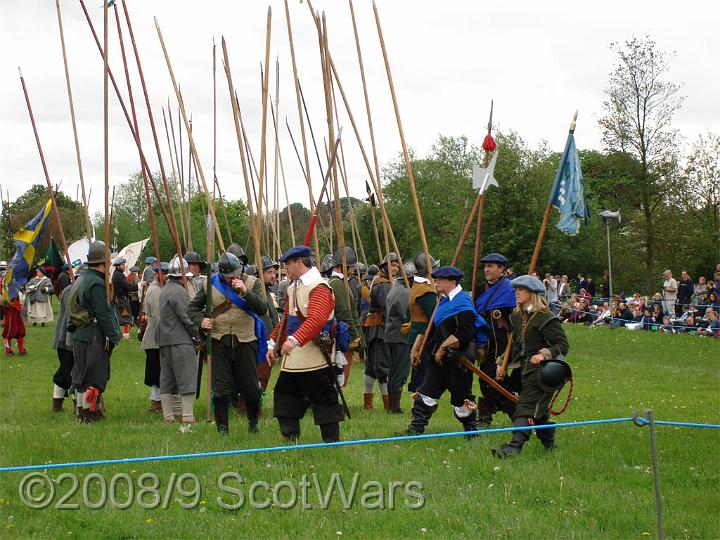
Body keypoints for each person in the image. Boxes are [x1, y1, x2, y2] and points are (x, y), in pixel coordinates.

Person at [266, 245, 343, 443]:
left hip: (315, 352)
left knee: (323, 396)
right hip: (294, 354)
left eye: (288, 264)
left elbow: (316, 319)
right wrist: (273, 343)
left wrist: (294, 340)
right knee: (285, 393)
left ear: (299, 263)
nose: (286, 269)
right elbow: (287, 319)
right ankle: (290, 436)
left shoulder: (320, 287)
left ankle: (331, 441)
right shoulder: (293, 287)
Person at [188, 252, 267, 435]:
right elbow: (192, 308)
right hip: (218, 343)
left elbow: (262, 309)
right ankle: (222, 431)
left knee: (251, 389)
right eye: (229, 276)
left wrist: (246, 293)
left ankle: (253, 423)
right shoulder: (211, 284)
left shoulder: (252, 283)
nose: (234, 278)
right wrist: (201, 320)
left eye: (236, 274)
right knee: (221, 390)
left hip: (246, 341)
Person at [491, 275, 569, 458]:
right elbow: (517, 344)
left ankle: (512, 448)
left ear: (533, 293)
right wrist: (502, 362)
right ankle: (550, 446)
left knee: (525, 408)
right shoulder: (517, 316)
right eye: (516, 289)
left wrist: (543, 354)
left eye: (521, 290)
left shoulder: (546, 317)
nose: (516, 293)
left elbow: (562, 344)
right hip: (525, 371)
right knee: (539, 412)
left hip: (544, 373)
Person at [404, 266, 488, 436]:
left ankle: (472, 432)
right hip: (438, 360)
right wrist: (417, 348)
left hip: (458, 360)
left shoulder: (463, 303)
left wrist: (444, 347)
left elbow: (466, 334)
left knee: (461, 399)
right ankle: (415, 430)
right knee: (426, 391)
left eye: (440, 279)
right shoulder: (443, 302)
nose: (436, 282)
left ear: (452, 281)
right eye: (436, 279)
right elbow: (433, 330)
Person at [70, 241, 121, 423]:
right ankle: (89, 415)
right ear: (103, 262)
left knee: (83, 375)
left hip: (82, 334)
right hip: (92, 334)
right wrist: (114, 335)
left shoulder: (84, 278)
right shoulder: (96, 283)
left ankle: (83, 413)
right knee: (93, 376)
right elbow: (103, 313)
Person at [474, 253, 518, 425]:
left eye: (490, 266)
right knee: (486, 379)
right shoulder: (479, 288)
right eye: (485, 266)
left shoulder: (510, 289)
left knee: (496, 379)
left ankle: (486, 416)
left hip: (503, 344)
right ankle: (515, 415)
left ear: (501, 269)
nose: (486, 269)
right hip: (485, 342)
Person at [157, 257, 200, 424]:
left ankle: (168, 416)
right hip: (180, 340)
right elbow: (187, 318)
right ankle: (188, 416)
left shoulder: (166, 289)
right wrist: (198, 334)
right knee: (187, 376)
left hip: (165, 339)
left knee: (167, 378)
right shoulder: (180, 292)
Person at [363, 253, 399, 410]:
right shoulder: (383, 284)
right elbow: (389, 307)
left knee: (372, 368)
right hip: (380, 330)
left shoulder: (381, 282)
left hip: (376, 329)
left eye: (398, 266)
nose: (396, 268)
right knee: (382, 367)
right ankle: (388, 405)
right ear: (385, 266)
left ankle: (369, 405)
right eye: (393, 265)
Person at [407, 252, 440, 399]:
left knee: (420, 372)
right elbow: (434, 316)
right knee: (422, 374)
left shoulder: (418, 286)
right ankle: (418, 406)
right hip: (423, 335)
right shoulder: (425, 290)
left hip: (418, 334)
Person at [51, 266, 82, 412]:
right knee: (69, 371)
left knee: (72, 370)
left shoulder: (74, 289)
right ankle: (65, 403)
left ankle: (63, 402)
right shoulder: (71, 290)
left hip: (71, 337)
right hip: (67, 338)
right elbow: (74, 316)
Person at [385, 261, 414, 414]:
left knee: (394, 371)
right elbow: (406, 314)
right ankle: (394, 407)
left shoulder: (396, 288)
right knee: (400, 372)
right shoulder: (404, 292)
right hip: (400, 337)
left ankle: (392, 406)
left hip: (392, 335)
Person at [141, 262, 168, 413]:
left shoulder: (159, 289)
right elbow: (159, 316)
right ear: (157, 274)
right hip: (155, 338)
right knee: (156, 371)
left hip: (158, 337)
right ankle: (156, 402)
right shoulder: (156, 290)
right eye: (162, 272)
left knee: (158, 370)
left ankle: (158, 401)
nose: (164, 275)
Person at [112, 257, 138, 338]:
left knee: (124, 317)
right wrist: (139, 286)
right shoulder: (119, 275)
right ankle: (125, 335)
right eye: (122, 264)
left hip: (121, 298)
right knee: (125, 317)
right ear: (117, 266)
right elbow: (128, 286)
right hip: (120, 299)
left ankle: (123, 335)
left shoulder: (118, 274)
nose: (124, 266)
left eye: (124, 264)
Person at [1, 287, 26, 356]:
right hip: (9, 307)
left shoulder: (16, 280)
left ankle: (21, 349)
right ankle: (8, 350)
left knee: (20, 330)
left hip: (17, 306)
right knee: (9, 331)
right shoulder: (4, 280)